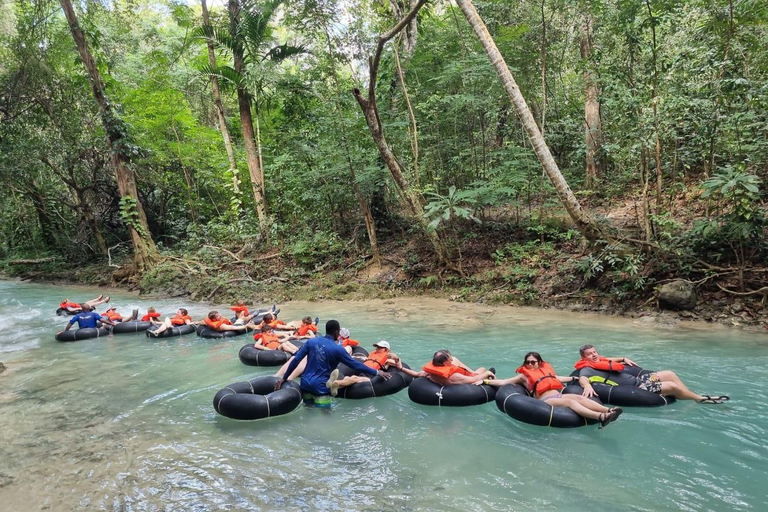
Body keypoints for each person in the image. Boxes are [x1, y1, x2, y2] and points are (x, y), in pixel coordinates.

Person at [486, 352, 622, 428]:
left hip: (558, 395)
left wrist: (574, 379)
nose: (530, 364)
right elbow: (504, 382)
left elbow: (558, 379)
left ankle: (608, 411)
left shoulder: (545, 372)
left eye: (533, 362)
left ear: (539, 362)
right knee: (571, 402)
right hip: (546, 400)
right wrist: (486, 381)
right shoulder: (523, 376)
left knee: (579, 398)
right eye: (528, 362)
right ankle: (600, 417)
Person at [274, 320, 391, 408]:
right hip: (320, 388)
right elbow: (355, 365)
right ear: (336, 331)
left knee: (308, 410)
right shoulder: (338, 349)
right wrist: (377, 372)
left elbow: (295, 360)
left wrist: (284, 378)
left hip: (305, 385)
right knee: (325, 415)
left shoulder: (311, 342)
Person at [576, 344, 730, 404]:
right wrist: (587, 386)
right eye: (590, 354)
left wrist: (623, 358)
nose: (594, 355)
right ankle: (699, 399)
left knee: (669, 373)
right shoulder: (588, 368)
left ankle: (688, 394)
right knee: (669, 386)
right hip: (639, 387)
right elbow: (583, 377)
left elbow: (608, 359)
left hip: (642, 378)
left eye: (595, 352)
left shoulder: (600, 360)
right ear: (584, 358)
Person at [327, 340, 402, 396]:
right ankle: (335, 387)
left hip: (371, 376)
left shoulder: (388, 357)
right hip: (364, 371)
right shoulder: (373, 354)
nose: (377, 348)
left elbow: (398, 365)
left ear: (386, 349)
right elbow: (365, 359)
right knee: (349, 377)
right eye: (377, 347)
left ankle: (334, 383)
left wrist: (396, 358)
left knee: (354, 378)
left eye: (380, 347)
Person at [399, 349, 495, 385]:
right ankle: (488, 374)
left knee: (456, 360)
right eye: (449, 359)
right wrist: (488, 373)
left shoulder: (429, 373)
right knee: (482, 369)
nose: (451, 360)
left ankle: (472, 371)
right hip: (467, 378)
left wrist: (401, 368)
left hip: (457, 375)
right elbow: (473, 379)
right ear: (444, 363)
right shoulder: (455, 376)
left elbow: (416, 374)